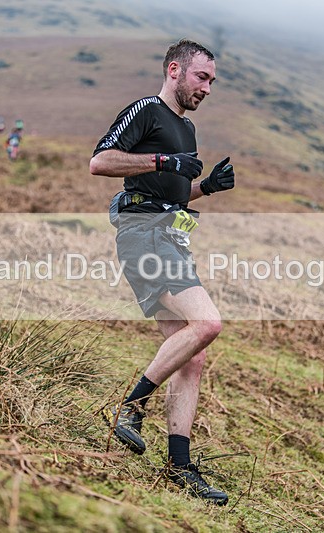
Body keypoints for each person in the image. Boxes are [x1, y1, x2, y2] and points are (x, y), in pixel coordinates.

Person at [89, 39, 236, 505]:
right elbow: (100, 161)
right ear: (175, 70)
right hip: (144, 234)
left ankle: (179, 466)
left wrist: (205, 188)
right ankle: (129, 410)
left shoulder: (187, 129)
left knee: (191, 354)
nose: (208, 88)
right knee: (208, 324)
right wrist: (162, 160)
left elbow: (172, 192)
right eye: (201, 77)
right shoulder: (147, 110)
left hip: (169, 235)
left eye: (212, 80)